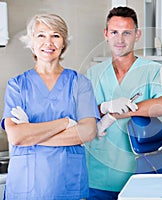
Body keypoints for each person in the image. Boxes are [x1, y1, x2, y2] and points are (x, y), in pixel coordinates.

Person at [1, 13, 100, 200]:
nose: (49, 42)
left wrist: (32, 135)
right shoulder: (17, 85)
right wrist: (65, 122)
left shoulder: (80, 84)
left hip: (67, 184)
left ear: (63, 43)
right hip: (26, 185)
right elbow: (16, 136)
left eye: (56, 35)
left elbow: (87, 132)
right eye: (41, 35)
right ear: (31, 41)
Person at [85, 6, 162, 200]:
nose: (120, 39)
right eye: (114, 32)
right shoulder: (94, 73)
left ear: (137, 35)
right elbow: (83, 114)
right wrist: (105, 107)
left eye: (127, 33)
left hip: (139, 175)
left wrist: (122, 113)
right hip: (99, 175)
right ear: (106, 34)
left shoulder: (154, 70)